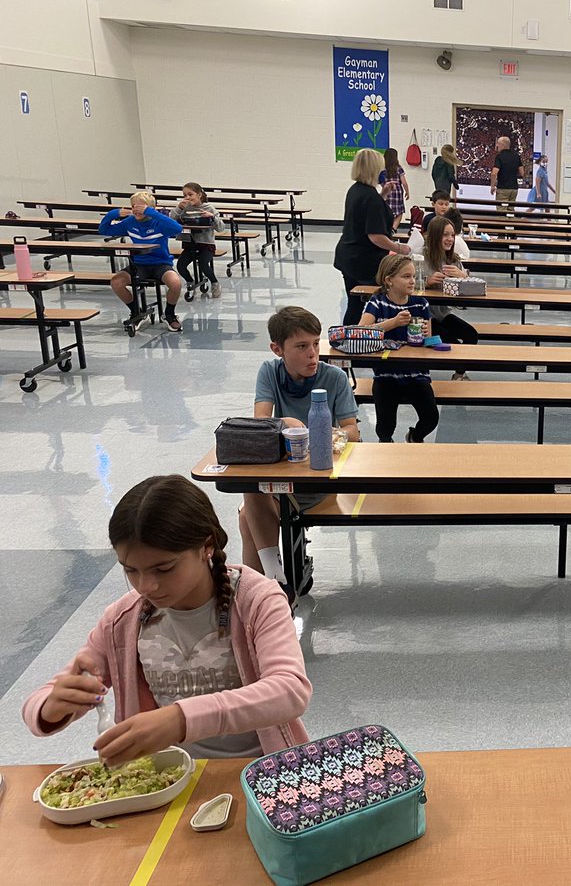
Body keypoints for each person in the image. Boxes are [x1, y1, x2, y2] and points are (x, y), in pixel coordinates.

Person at [23, 475, 311, 764]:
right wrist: (52, 707)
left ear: (206, 546)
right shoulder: (123, 621)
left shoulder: (256, 600)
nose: (145, 586)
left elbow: (289, 690)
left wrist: (180, 719)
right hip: (166, 778)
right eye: (131, 570)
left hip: (259, 772)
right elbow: (40, 699)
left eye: (163, 569)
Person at [240, 306, 360, 595]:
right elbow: (261, 422)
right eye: (302, 346)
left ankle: (265, 588)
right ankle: (273, 583)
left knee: (248, 515)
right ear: (277, 349)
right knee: (251, 492)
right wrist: (289, 423)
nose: (313, 353)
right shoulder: (269, 372)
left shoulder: (334, 378)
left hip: (317, 481)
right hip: (281, 483)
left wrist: (323, 437)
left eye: (316, 344)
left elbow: (353, 433)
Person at [359, 254, 439, 443]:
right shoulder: (377, 303)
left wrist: (428, 335)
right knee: (385, 427)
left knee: (431, 417)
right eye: (406, 276)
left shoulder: (420, 304)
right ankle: (387, 453)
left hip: (416, 373)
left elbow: (430, 342)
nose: (412, 281)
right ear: (389, 280)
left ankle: (415, 436)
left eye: (413, 276)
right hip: (386, 374)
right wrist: (392, 323)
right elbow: (361, 332)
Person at [333, 149, 410, 326]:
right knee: (373, 298)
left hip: (348, 255)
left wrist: (382, 195)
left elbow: (364, 214)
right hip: (363, 259)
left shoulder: (356, 190)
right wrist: (399, 248)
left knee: (354, 303)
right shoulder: (370, 196)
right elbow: (375, 236)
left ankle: (350, 335)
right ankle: (370, 331)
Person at [99, 192, 185, 333]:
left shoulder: (158, 222)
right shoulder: (130, 222)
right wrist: (114, 214)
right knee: (116, 282)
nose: (136, 210)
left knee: (175, 283)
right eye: (133, 206)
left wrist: (152, 213)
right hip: (138, 264)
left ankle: (169, 314)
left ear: (150, 208)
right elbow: (104, 230)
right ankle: (136, 312)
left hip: (161, 263)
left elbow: (177, 229)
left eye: (141, 207)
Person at [422, 215, 478, 382]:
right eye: (445, 235)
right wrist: (426, 282)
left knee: (471, 335)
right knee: (454, 344)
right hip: (424, 317)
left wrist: (463, 276)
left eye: (452, 235)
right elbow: (404, 285)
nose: (449, 239)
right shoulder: (419, 257)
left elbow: (473, 289)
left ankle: (459, 375)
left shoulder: (453, 259)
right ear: (434, 235)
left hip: (442, 313)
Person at [170, 182, 224, 301]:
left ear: (199, 195)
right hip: (190, 244)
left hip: (206, 245)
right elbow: (170, 221)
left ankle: (215, 283)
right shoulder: (184, 208)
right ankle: (190, 282)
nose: (187, 197)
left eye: (190, 194)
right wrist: (178, 208)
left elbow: (221, 228)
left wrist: (212, 217)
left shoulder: (209, 208)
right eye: (184, 195)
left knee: (203, 264)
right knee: (180, 265)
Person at [407, 192, 469, 257]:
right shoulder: (428, 218)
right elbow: (423, 234)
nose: (444, 207)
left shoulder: (451, 218)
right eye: (441, 204)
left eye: (446, 204)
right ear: (433, 204)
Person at [379, 148, 411, 231]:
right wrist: (407, 192)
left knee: (387, 211)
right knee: (399, 212)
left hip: (386, 191)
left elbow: (380, 181)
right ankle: (394, 228)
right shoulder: (398, 168)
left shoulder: (382, 169)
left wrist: (385, 187)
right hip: (397, 192)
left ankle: (386, 228)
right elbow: (404, 182)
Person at [490, 136, 524, 206]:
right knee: (511, 210)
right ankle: (511, 217)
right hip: (514, 189)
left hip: (503, 188)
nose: (497, 145)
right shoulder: (516, 156)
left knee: (501, 210)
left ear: (503, 145)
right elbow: (522, 173)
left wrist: (492, 186)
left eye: (498, 144)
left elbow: (494, 173)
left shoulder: (499, 157)